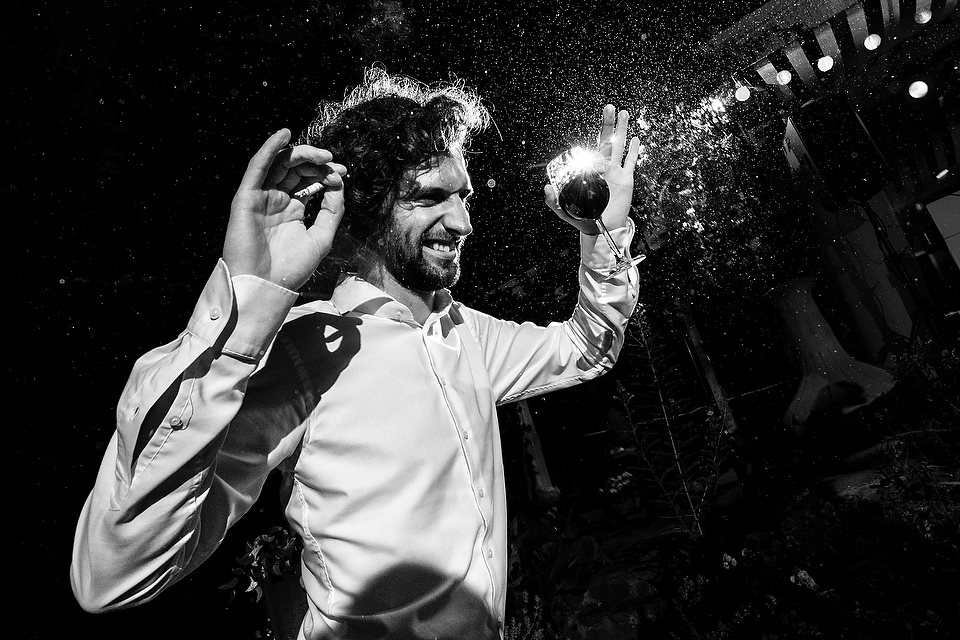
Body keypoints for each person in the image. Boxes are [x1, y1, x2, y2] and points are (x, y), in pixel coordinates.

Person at [71, 67, 641, 639]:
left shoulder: (465, 331)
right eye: (429, 198)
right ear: (367, 209)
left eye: (463, 196)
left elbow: (586, 347)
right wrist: (243, 310)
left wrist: (603, 234)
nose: (463, 222)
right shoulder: (306, 351)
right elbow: (111, 577)